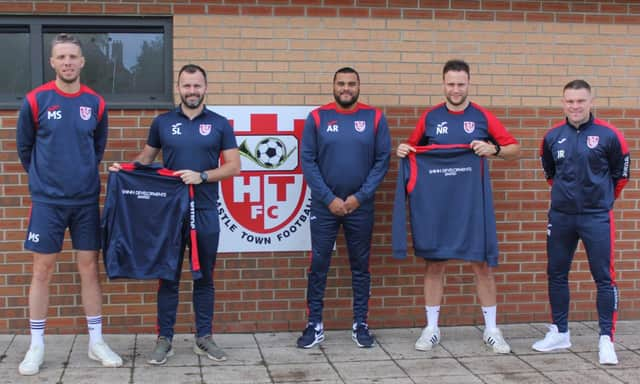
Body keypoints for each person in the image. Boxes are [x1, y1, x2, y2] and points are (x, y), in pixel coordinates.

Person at [109, 64, 240, 364]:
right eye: (186, 86)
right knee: (168, 275)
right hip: (170, 212)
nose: (191, 91)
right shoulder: (163, 122)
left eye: (197, 86)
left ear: (205, 88)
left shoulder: (220, 124)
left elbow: (234, 166)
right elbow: (146, 159)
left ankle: (203, 338)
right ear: (178, 88)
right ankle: (164, 339)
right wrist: (124, 170)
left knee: (204, 276)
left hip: (205, 210)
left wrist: (202, 176)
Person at [15, 33, 123, 376]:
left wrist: (80, 176)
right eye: (61, 57)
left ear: (82, 62)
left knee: (89, 268)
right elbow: (25, 149)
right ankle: (36, 346)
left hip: (86, 200)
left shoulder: (96, 102)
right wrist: (44, 181)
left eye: (73, 57)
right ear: (52, 62)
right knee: (41, 271)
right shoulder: (36, 100)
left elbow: (97, 147)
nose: (67, 63)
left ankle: (96, 341)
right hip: (48, 201)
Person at [396, 59, 520, 354]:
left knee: (481, 265)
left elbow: (515, 149)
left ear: (468, 84)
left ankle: (492, 330)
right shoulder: (429, 118)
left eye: (460, 84)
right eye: (450, 83)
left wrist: (494, 150)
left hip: (471, 205)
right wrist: (402, 149)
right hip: (437, 206)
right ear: (443, 84)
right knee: (435, 264)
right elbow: (412, 149)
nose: (455, 89)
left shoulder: (481, 116)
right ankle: (431, 328)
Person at [533, 80, 630, 365]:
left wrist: (600, 201)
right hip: (561, 217)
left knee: (604, 278)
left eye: (580, 101)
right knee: (557, 273)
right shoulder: (552, 137)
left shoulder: (609, 135)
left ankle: (606, 340)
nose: (575, 106)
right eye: (569, 101)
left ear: (590, 102)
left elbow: (620, 176)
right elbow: (550, 173)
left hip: (596, 216)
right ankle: (560, 332)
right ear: (563, 102)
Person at [297, 67, 391, 349]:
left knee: (360, 267)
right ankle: (315, 325)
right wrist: (329, 198)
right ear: (333, 86)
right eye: (341, 84)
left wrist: (359, 197)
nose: (346, 88)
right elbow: (308, 161)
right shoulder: (317, 117)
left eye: (351, 84)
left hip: (360, 207)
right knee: (319, 265)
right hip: (325, 206)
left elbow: (382, 160)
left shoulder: (374, 117)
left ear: (359, 86)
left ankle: (360, 324)